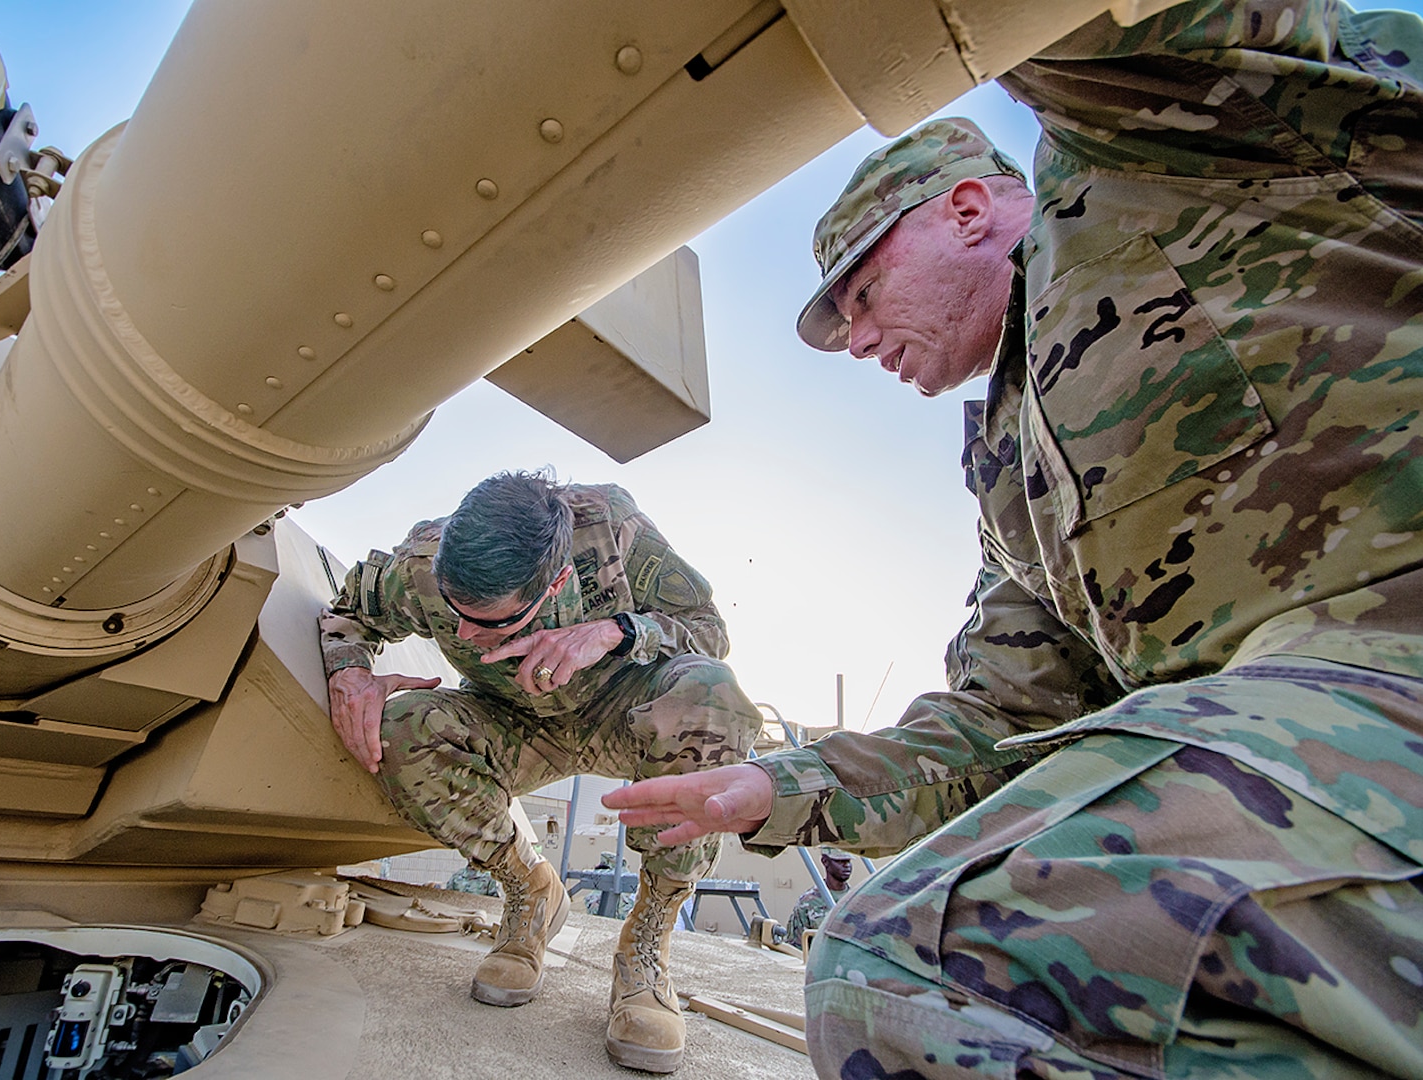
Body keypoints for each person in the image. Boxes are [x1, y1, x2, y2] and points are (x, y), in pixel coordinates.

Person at [605, 3, 1423, 1076]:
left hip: (1386, 683)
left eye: (860, 292)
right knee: (898, 966)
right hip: (1291, 749)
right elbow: (998, 723)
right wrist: (776, 788)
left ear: (969, 210)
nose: (853, 341)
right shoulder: (1007, 476)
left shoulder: (1160, 153)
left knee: (930, 968)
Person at [319, 470, 761, 1073]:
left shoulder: (613, 529)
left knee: (711, 693)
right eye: (456, 614)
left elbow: (709, 633)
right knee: (401, 729)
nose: (468, 635)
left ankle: (648, 938)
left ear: (553, 583)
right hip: (514, 721)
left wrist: (617, 631)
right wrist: (349, 672)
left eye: (493, 622)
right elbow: (348, 611)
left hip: (622, 712)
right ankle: (529, 893)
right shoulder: (421, 563)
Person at [783, 848, 852, 948]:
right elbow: (796, 947)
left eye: (848, 861)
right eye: (840, 861)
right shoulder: (808, 902)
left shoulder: (856, 898)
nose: (846, 866)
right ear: (825, 861)